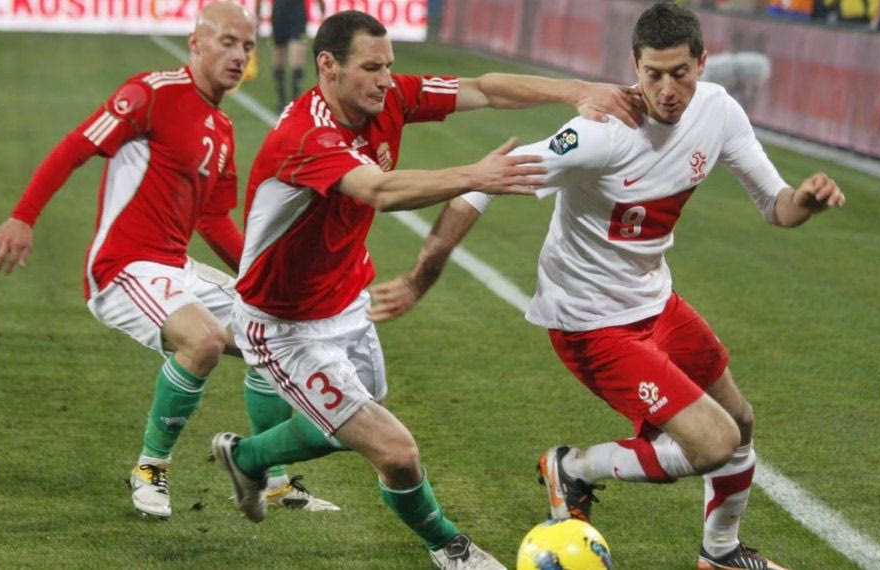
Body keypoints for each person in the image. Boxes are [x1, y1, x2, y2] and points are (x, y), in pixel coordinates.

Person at [370, 3, 845, 570]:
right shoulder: (599, 133)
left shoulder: (718, 111)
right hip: (590, 324)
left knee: (739, 422)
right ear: (634, 66)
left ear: (702, 63)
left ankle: (720, 554)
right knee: (713, 443)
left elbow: (778, 207)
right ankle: (573, 468)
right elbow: (480, 186)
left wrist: (806, 201)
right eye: (653, 74)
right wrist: (422, 275)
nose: (666, 90)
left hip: (655, 303)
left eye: (680, 73)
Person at [207, 9, 644, 570]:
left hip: (346, 301)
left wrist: (576, 90)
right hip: (283, 323)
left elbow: (485, 89)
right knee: (395, 451)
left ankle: (246, 458)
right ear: (329, 67)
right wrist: (474, 176)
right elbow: (379, 190)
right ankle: (450, 546)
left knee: (346, 428)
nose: (385, 80)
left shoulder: (389, 96)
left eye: (388, 65)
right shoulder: (306, 135)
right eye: (371, 68)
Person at [0, 1, 336, 520]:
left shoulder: (221, 128)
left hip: (174, 268)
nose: (239, 56)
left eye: (246, 46)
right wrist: (23, 216)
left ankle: (268, 478)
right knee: (204, 340)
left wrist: (264, 280)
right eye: (227, 42)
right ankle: (151, 467)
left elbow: (213, 220)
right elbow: (78, 146)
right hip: (122, 267)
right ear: (195, 43)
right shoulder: (152, 93)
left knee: (273, 328)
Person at [271, 0, 325, 113]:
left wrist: (322, 8)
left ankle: (290, 100)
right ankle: (285, 100)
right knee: (282, 53)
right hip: (285, 11)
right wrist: (322, 8)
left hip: (291, 11)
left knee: (291, 53)